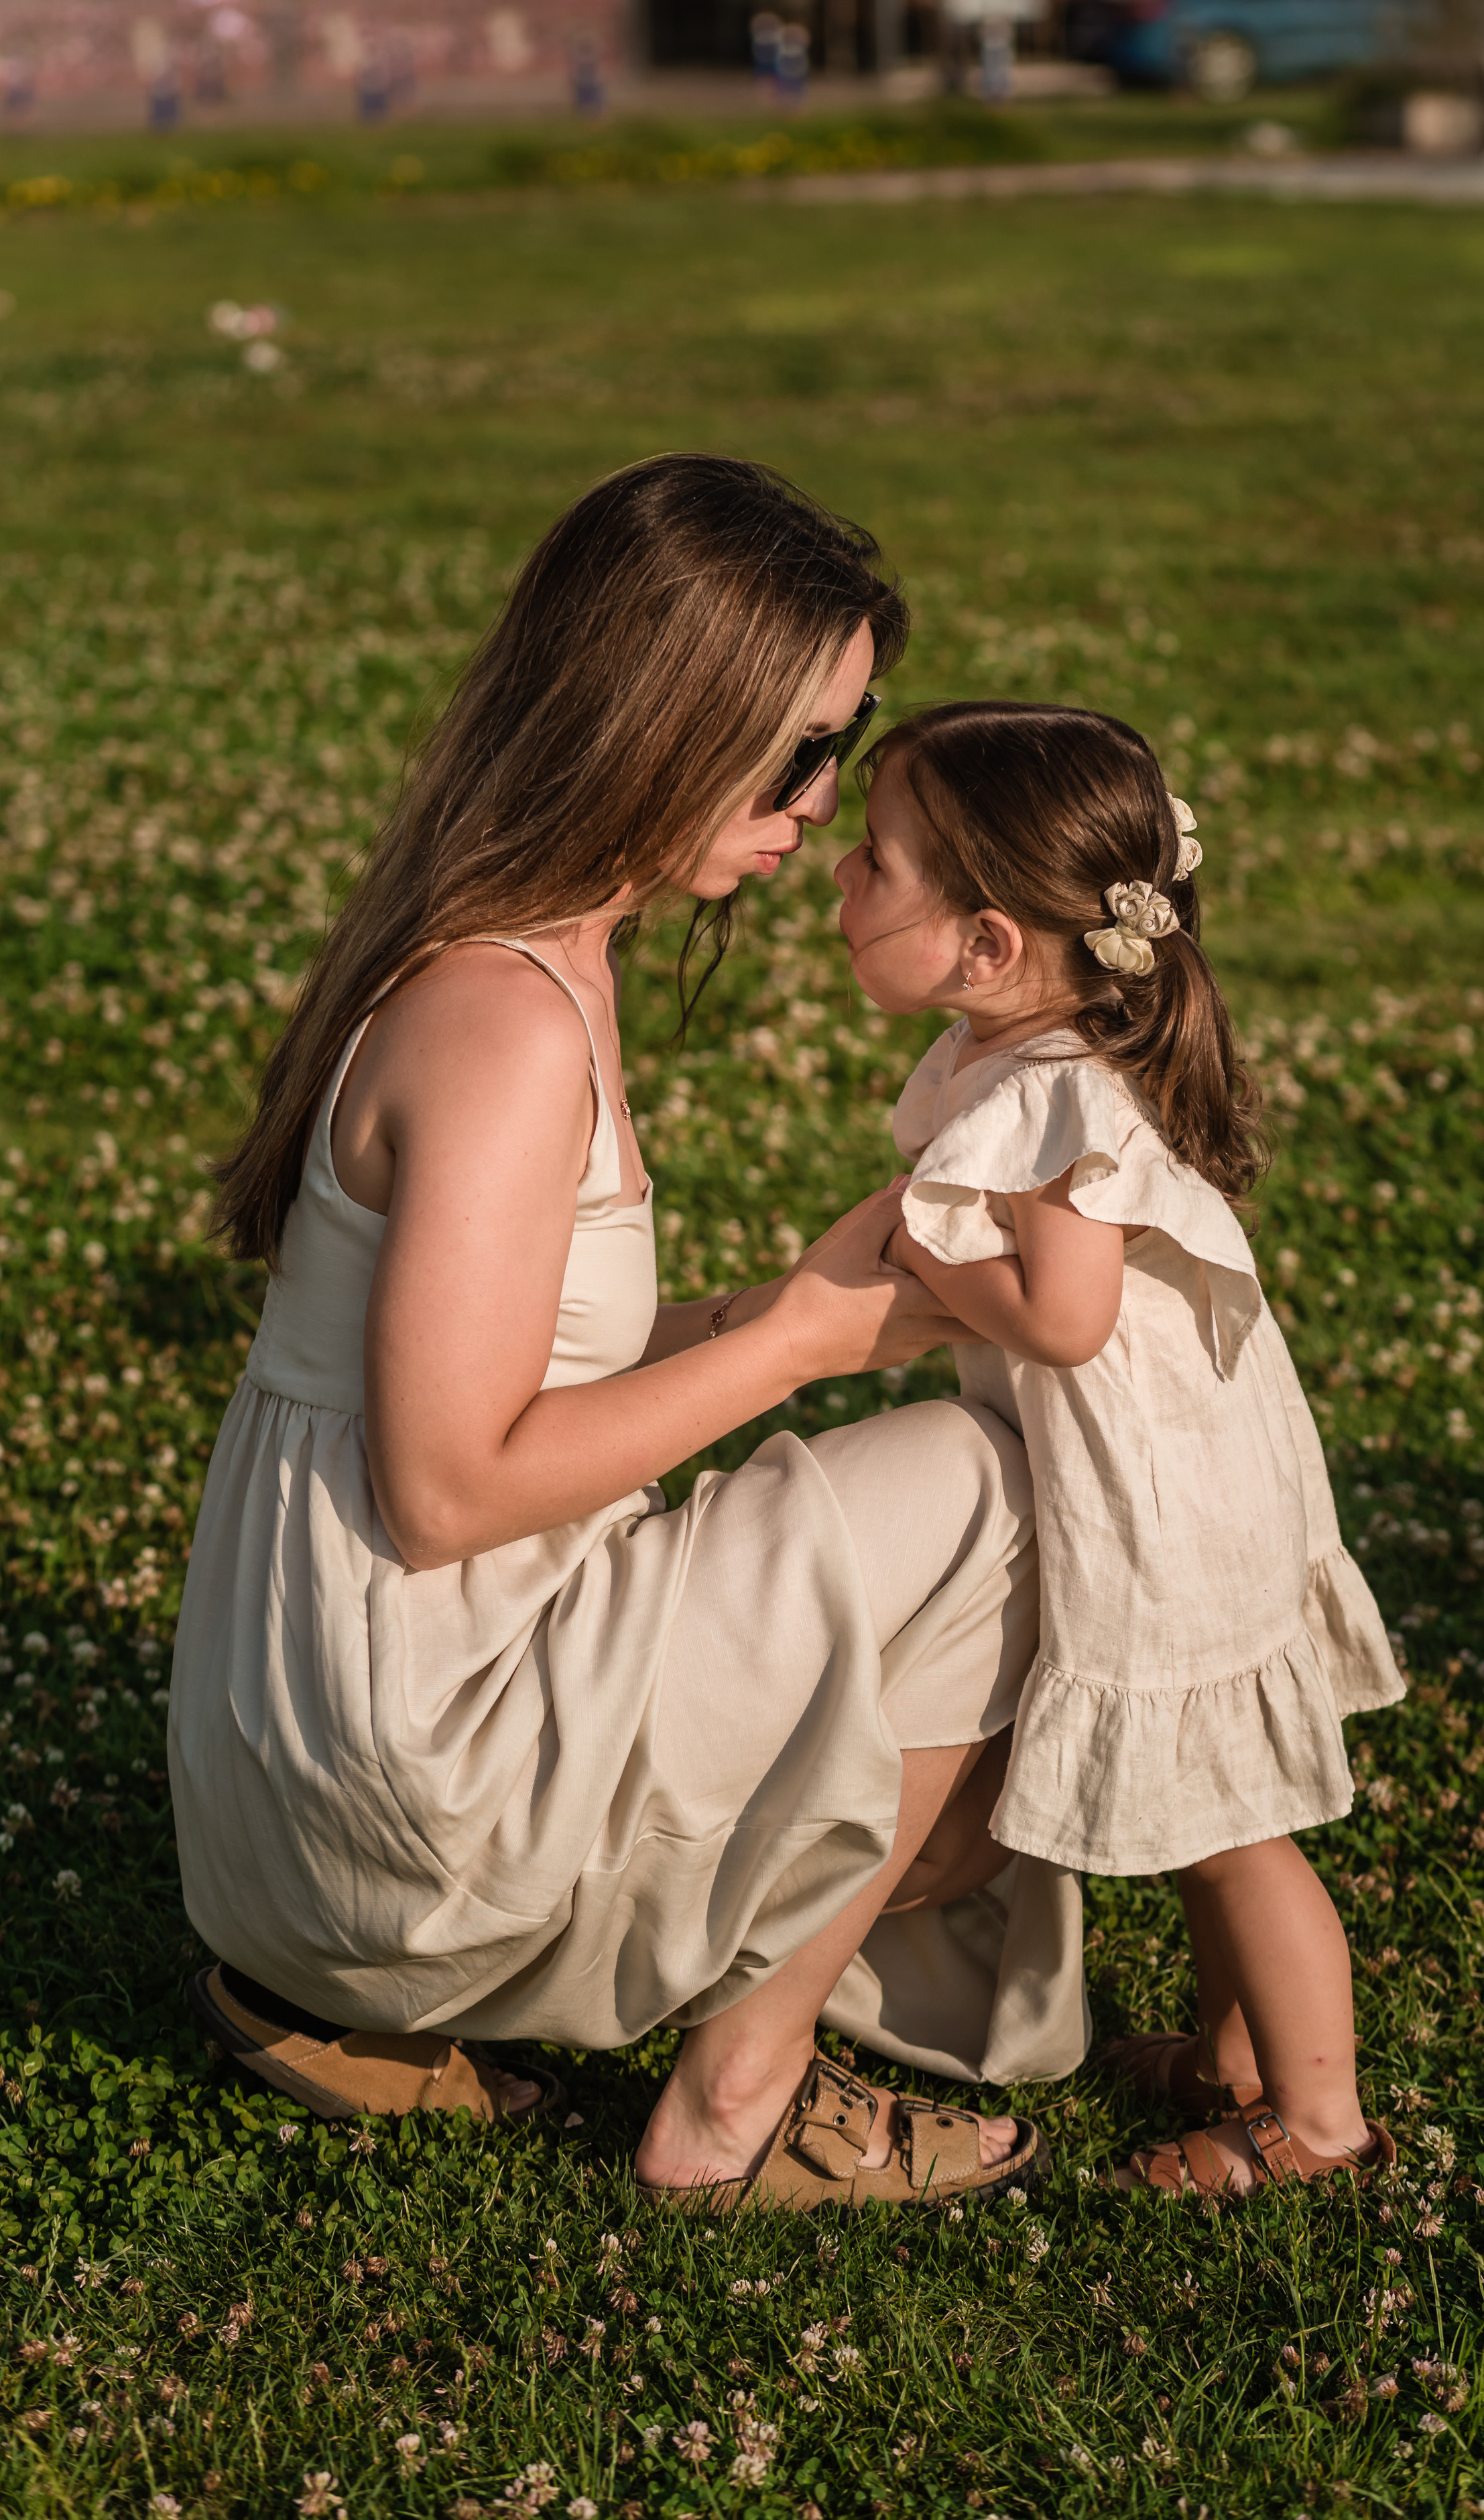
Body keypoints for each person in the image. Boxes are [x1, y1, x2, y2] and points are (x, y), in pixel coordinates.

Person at [168, 458, 1091, 2212]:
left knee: (955, 1501)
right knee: (1006, 1492)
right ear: (668, 728)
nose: (829, 802)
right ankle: (745, 2096)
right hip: (408, 1798)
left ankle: (384, 2004)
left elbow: (495, 1357)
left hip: (317, 1780)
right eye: (806, 750)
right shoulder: (506, 1027)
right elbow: (445, 1489)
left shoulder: (517, 949)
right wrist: (799, 1348)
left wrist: (768, 1309)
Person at [834, 699, 1406, 2198]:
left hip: (1163, 1507)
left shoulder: (1056, 1099)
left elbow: (1065, 1319)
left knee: (1237, 1838)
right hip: (1183, 1479)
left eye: (873, 860)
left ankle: (1321, 2123)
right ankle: (1238, 2065)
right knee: (1221, 1805)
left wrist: (928, 1265)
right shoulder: (1024, 1052)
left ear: (986, 943)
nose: (838, 878)